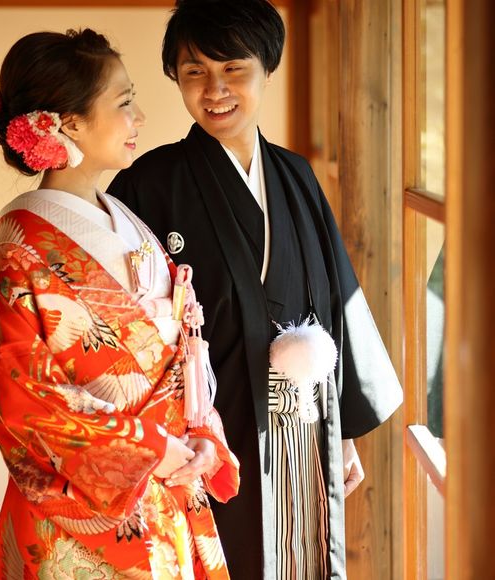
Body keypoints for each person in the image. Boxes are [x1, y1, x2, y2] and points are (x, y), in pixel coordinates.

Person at [108, 1, 403, 578]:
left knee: (301, 556)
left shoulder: (296, 175)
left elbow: (334, 300)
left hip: (304, 426)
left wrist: (343, 431)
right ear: (176, 78)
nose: (214, 89)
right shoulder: (147, 185)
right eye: (195, 71)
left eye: (233, 69)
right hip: (206, 439)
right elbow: (124, 327)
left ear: (267, 68)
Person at [0, 28, 240, 579]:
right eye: (124, 102)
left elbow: (183, 353)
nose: (139, 117)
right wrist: (149, 446)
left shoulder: (127, 223)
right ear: (68, 124)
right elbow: (29, 404)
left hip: (168, 487)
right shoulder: (21, 258)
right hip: (87, 516)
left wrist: (202, 434)